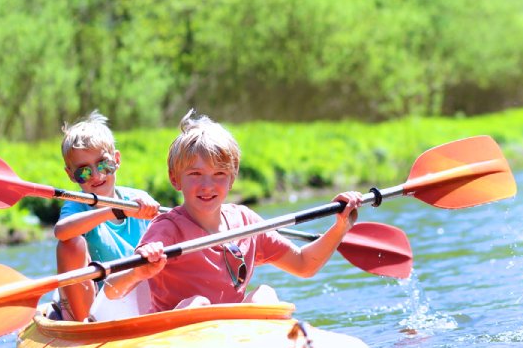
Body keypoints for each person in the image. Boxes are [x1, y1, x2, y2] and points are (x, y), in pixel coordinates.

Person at [103, 110, 363, 313]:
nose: (207, 185)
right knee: (198, 303)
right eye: (195, 174)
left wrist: (341, 227)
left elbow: (304, 265)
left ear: (232, 177)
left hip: (231, 339)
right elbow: (113, 291)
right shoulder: (167, 228)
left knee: (264, 295)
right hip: (176, 338)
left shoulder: (245, 222)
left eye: (219, 174)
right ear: (175, 179)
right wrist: (139, 271)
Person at [53, 110, 160, 321]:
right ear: (70, 175)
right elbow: (61, 231)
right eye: (83, 171)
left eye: (103, 164)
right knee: (70, 243)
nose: (96, 175)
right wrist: (113, 210)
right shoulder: (77, 206)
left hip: (132, 297)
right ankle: (83, 324)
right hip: (94, 307)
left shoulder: (138, 198)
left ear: (116, 160)